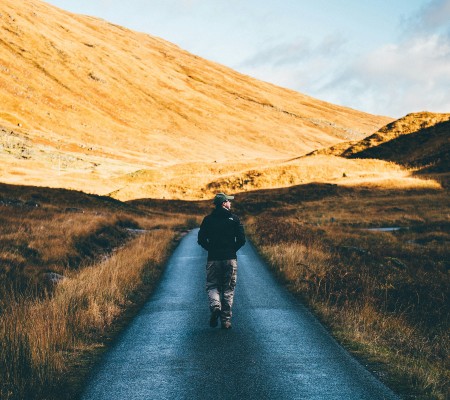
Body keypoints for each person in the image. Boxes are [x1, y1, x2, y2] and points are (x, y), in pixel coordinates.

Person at [197, 192, 246, 329]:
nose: (230, 203)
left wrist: (210, 249)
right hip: (230, 259)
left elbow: (201, 239)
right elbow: (242, 240)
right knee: (228, 289)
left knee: (212, 286)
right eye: (228, 201)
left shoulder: (208, 219)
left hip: (213, 258)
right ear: (224, 203)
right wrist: (232, 250)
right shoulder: (234, 219)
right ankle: (226, 321)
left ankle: (215, 306)